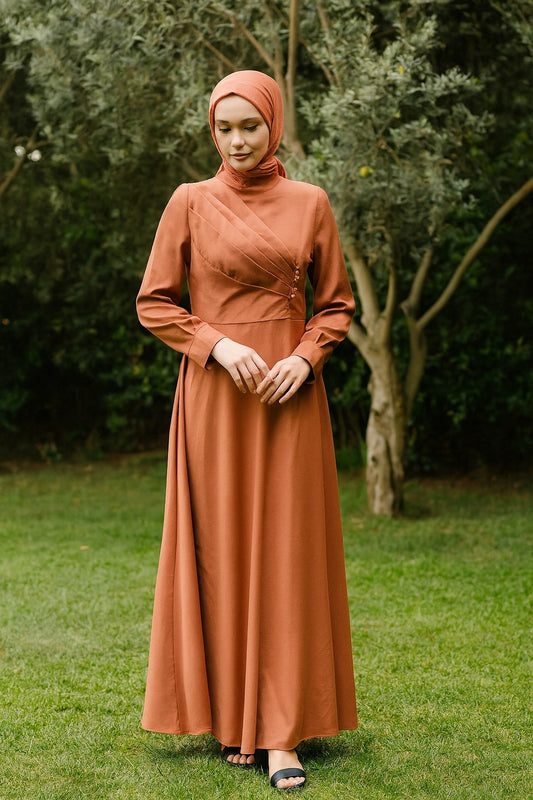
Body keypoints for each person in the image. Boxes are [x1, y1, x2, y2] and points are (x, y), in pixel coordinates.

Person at [136, 69, 358, 792]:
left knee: (287, 558)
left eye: (249, 126)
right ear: (212, 131)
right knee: (222, 554)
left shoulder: (311, 203)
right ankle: (236, 721)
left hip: (289, 404)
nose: (236, 141)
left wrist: (306, 356)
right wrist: (217, 346)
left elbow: (334, 307)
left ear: (273, 125)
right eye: (224, 128)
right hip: (216, 402)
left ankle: (281, 733)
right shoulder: (189, 202)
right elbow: (155, 303)